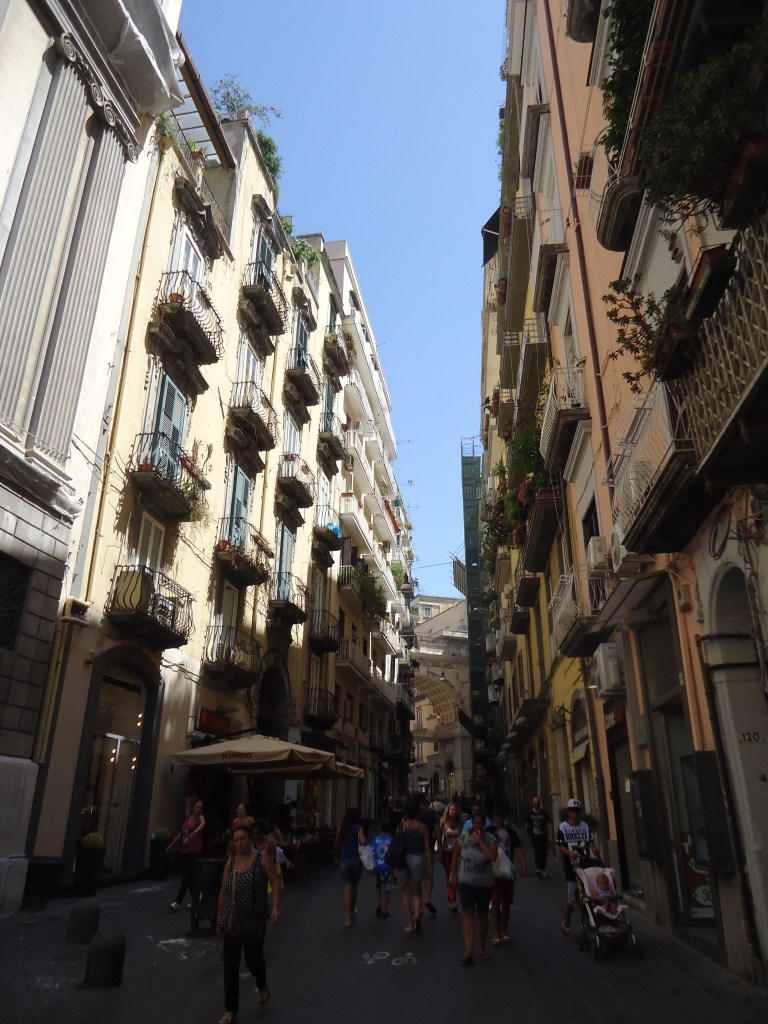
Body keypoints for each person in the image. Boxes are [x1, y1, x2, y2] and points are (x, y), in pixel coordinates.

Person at [216, 823, 281, 1023]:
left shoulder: (262, 858)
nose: (239, 843)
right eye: (236, 840)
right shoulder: (230, 863)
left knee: (254, 961)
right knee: (230, 966)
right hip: (232, 921)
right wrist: (219, 918)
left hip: (253, 922)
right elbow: (223, 892)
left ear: (251, 839)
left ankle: (261, 982)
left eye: (242, 838)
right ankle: (230, 1010)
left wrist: (275, 907)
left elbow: (275, 881)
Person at [449, 809, 498, 964]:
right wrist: (453, 874)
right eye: (475, 823)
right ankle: (469, 950)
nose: (477, 826)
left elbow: (492, 857)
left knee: (482, 914)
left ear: (484, 825)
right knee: (468, 913)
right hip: (466, 881)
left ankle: (481, 948)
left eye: (480, 823)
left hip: (484, 882)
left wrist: (481, 841)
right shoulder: (464, 838)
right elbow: (456, 854)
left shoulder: (490, 839)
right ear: (471, 823)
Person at [556, 798, 599, 936]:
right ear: (569, 812)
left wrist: (594, 848)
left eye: (577, 811)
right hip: (571, 866)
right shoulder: (563, 827)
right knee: (572, 896)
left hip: (585, 865)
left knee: (589, 892)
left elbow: (590, 841)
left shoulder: (585, 826)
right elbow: (560, 845)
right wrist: (569, 853)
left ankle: (589, 920)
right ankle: (567, 918)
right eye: (573, 811)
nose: (575, 813)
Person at [489, 810, 527, 946]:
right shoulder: (489, 831)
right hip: (492, 871)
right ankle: (497, 933)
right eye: (496, 818)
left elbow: (517, 847)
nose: (499, 821)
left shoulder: (510, 832)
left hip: (508, 871)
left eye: (501, 818)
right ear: (494, 818)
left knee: (506, 902)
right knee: (495, 902)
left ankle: (503, 931)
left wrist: (523, 863)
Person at [166, 798, 205, 911]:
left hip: (194, 850)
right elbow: (181, 833)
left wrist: (196, 831)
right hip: (185, 848)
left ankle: (178, 901)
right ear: (193, 807)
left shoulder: (200, 817)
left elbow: (203, 824)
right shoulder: (188, 818)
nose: (198, 809)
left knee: (186, 875)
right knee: (190, 877)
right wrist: (171, 844)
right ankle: (196, 900)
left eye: (200, 807)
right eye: (197, 806)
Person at [400, 799, 431, 933]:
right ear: (417, 812)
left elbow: (398, 844)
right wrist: (428, 866)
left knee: (406, 892)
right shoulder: (422, 827)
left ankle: (409, 924)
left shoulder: (402, 826)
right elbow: (427, 848)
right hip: (418, 859)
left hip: (404, 859)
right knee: (417, 889)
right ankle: (417, 913)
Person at [334, 807, 367, 927]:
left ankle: (347, 917)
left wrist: (336, 855)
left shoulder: (341, 828)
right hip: (356, 861)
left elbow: (336, 843)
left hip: (344, 860)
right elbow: (363, 842)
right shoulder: (358, 828)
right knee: (354, 885)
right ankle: (352, 911)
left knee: (347, 887)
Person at [437, 802, 463, 911]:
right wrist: (439, 849)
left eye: (455, 810)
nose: (454, 812)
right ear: (448, 811)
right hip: (447, 852)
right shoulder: (443, 822)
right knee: (450, 875)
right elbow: (439, 835)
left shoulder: (460, 823)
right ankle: (452, 900)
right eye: (452, 810)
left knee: (456, 874)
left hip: (457, 853)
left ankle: (452, 897)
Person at [416, 793, 439, 914]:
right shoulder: (431, 813)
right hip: (428, 847)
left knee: (417, 879)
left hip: (414, 849)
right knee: (429, 875)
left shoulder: (413, 813)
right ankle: (427, 898)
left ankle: (418, 906)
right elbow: (437, 829)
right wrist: (439, 845)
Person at [369, 818, 394, 918]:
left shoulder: (376, 839)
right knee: (387, 889)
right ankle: (385, 909)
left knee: (378, 885)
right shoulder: (391, 840)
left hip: (378, 867)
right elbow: (393, 854)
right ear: (390, 829)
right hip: (387, 867)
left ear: (380, 828)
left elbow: (372, 852)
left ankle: (378, 904)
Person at [524, 796, 553, 878]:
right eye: (535, 803)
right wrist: (527, 835)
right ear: (532, 804)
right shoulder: (530, 814)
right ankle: (538, 868)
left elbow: (549, 825)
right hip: (534, 837)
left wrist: (550, 835)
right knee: (537, 852)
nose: (536, 805)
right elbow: (526, 825)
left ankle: (543, 869)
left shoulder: (544, 813)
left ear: (540, 804)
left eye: (538, 803)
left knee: (543, 853)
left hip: (543, 836)